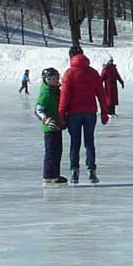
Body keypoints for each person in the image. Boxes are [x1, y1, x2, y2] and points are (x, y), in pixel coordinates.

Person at [59, 45, 104, 183]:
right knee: (89, 142)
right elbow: (101, 94)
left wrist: (61, 113)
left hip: (74, 113)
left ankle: (74, 171)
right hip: (90, 112)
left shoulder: (69, 73)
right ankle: (92, 171)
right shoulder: (93, 72)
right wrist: (104, 112)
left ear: (71, 56)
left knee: (75, 143)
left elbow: (64, 96)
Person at [35, 66, 67, 186]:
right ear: (47, 79)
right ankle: (49, 176)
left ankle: (55, 174)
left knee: (58, 151)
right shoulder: (46, 93)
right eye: (53, 78)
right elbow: (38, 109)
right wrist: (46, 119)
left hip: (57, 126)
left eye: (57, 77)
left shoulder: (54, 91)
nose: (56, 80)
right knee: (51, 152)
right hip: (50, 128)